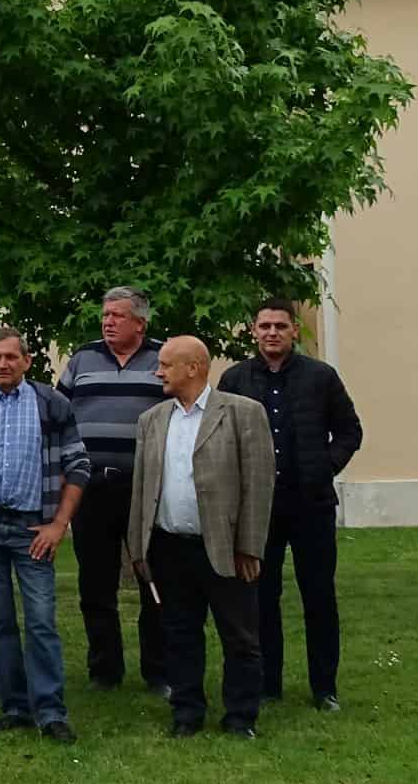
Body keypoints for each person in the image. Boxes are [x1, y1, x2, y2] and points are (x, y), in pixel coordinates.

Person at [219, 299, 364, 712]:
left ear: (294, 332)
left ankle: (324, 688)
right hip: (259, 509)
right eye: (264, 326)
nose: (272, 333)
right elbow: (222, 436)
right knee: (260, 599)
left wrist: (325, 467)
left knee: (318, 597)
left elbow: (350, 431)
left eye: (280, 326)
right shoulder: (236, 380)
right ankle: (268, 684)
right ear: (253, 331)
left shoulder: (321, 378)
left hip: (311, 505)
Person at [0, 328, 88, 742]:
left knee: (41, 620)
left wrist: (60, 524)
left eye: (11, 357)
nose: (3, 364)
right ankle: (15, 705)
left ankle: (50, 710)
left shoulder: (51, 404)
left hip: (33, 528)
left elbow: (79, 464)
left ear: (26, 361)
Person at [126, 337, 274, 738]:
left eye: (165, 365)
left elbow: (258, 485)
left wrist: (249, 545)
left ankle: (241, 716)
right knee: (178, 633)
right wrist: (138, 546)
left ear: (193, 368)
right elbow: (142, 487)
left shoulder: (243, 414)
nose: (158, 372)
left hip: (224, 546)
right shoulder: (152, 420)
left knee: (240, 635)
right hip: (170, 546)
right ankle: (186, 713)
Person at [59, 287, 168, 694]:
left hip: (147, 489)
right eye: (105, 315)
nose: (107, 322)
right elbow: (59, 412)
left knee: (153, 579)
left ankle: (159, 671)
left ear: (140, 323)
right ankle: (105, 670)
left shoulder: (163, 357)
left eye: (117, 316)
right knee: (96, 583)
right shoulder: (83, 358)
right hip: (92, 487)